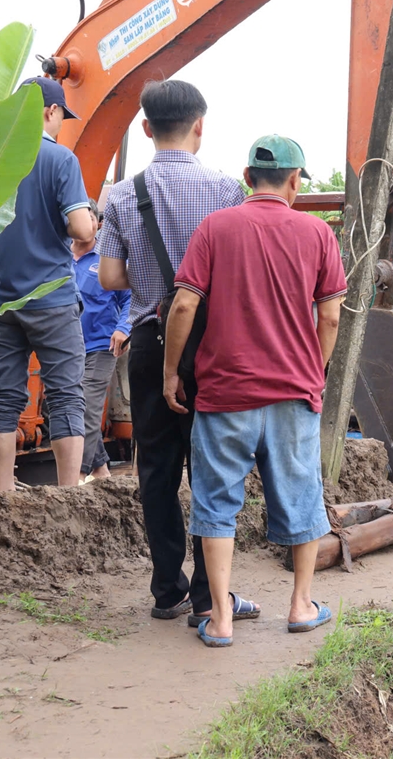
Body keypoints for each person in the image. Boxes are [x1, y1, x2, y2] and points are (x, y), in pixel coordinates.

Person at [162, 136, 345, 647]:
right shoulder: (316, 233)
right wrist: (314, 367)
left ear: (247, 177)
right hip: (293, 393)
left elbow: (183, 306)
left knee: (216, 503)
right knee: (303, 498)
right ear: (294, 181)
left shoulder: (215, 228)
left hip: (224, 395)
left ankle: (219, 619)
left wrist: (171, 372)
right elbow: (330, 314)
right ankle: (300, 604)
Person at [98, 79, 245, 624]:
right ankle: (210, 596)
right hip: (213, 346)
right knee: (214, 466)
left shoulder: (122, 195)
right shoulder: (228, 191)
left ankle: (167, 589)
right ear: (200, 126)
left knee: (156, 469)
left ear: (144, 129)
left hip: (149, 341)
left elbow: (111, 275)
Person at [0, 78, 94, 491]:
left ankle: (3, 493)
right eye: (60, 117)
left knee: (4, 396)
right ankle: (68, 495)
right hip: (51, 301)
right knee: (66, 396)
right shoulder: (60, 159)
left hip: (0, 304)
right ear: (49, 112)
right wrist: (88, 220)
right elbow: (80, 228)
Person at [73, 197, 130, 480]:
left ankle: (75, 478)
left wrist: (124, 327)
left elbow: (132, 298)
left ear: (96, 223)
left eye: (90, 217)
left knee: (85, 410)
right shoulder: (57, 257)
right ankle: (102, 472)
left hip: (99, 346)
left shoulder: (109, 259)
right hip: (64, 348)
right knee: (70, 407)